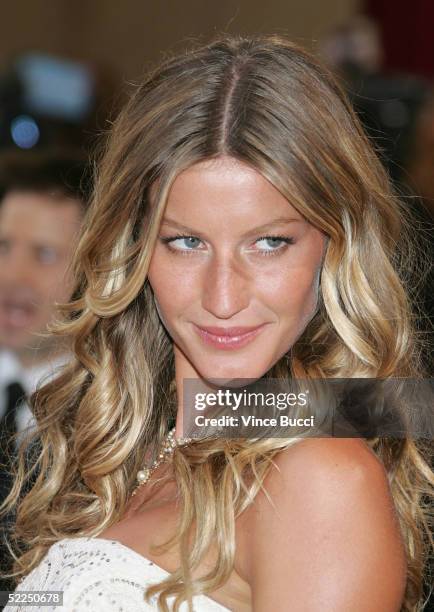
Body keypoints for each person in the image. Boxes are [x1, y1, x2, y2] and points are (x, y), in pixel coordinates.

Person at [1, 34, 433, 612]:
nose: (223, 297)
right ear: (133, 249)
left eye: (270, 243)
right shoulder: (115, 452)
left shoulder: (319, 479)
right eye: (185, 242)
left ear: (337, 245)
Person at [0, 150, 89, 594]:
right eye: (3, 247)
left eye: (45, 254)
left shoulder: (128, 398)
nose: (13, 276)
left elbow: (330, 409)